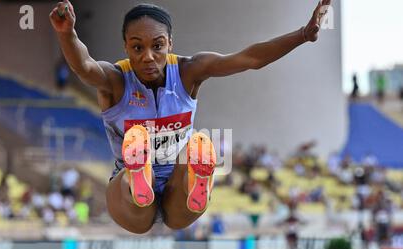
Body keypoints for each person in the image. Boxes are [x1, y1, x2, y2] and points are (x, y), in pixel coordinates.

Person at [50, 0, 331, 234]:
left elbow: (249, 59)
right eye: (137, 48)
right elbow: (85, 66)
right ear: (126, 47)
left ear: (170, 43)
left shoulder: (188, 71)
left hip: (175, 181)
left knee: (185, 176)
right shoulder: (115, 80)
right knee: (130, 191)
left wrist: (303, 34)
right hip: (129, 193)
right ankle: (138, 175)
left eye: (157, 46)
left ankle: (196, 178)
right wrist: (66, 34)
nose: (148, 56)